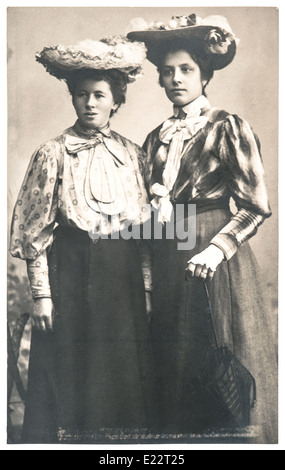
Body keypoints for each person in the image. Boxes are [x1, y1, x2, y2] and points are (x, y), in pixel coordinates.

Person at [128, 14, 278, 443]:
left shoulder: (228, 127)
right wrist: (147, 275)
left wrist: (215, 250)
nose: (176, 79)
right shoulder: (155, 138)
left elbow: (254, 206)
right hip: (167, 260)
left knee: (218, 362)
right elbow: (145, 214)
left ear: (205, 74)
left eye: (186, 70)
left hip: (214, 260)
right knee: (175, 366)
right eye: (167, 72)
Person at [9, 36, 156, 443]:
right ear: (72, 100)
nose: (89, 103)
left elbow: (144, 234)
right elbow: (35, 229)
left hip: (122, 274)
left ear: (115, 101)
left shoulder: (133, 154)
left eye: (99, 95)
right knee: (69, 366)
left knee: (119, 371)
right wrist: (42, 294)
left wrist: (145, 287)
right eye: (81, 95)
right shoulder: (52, 153)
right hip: (70, 270)